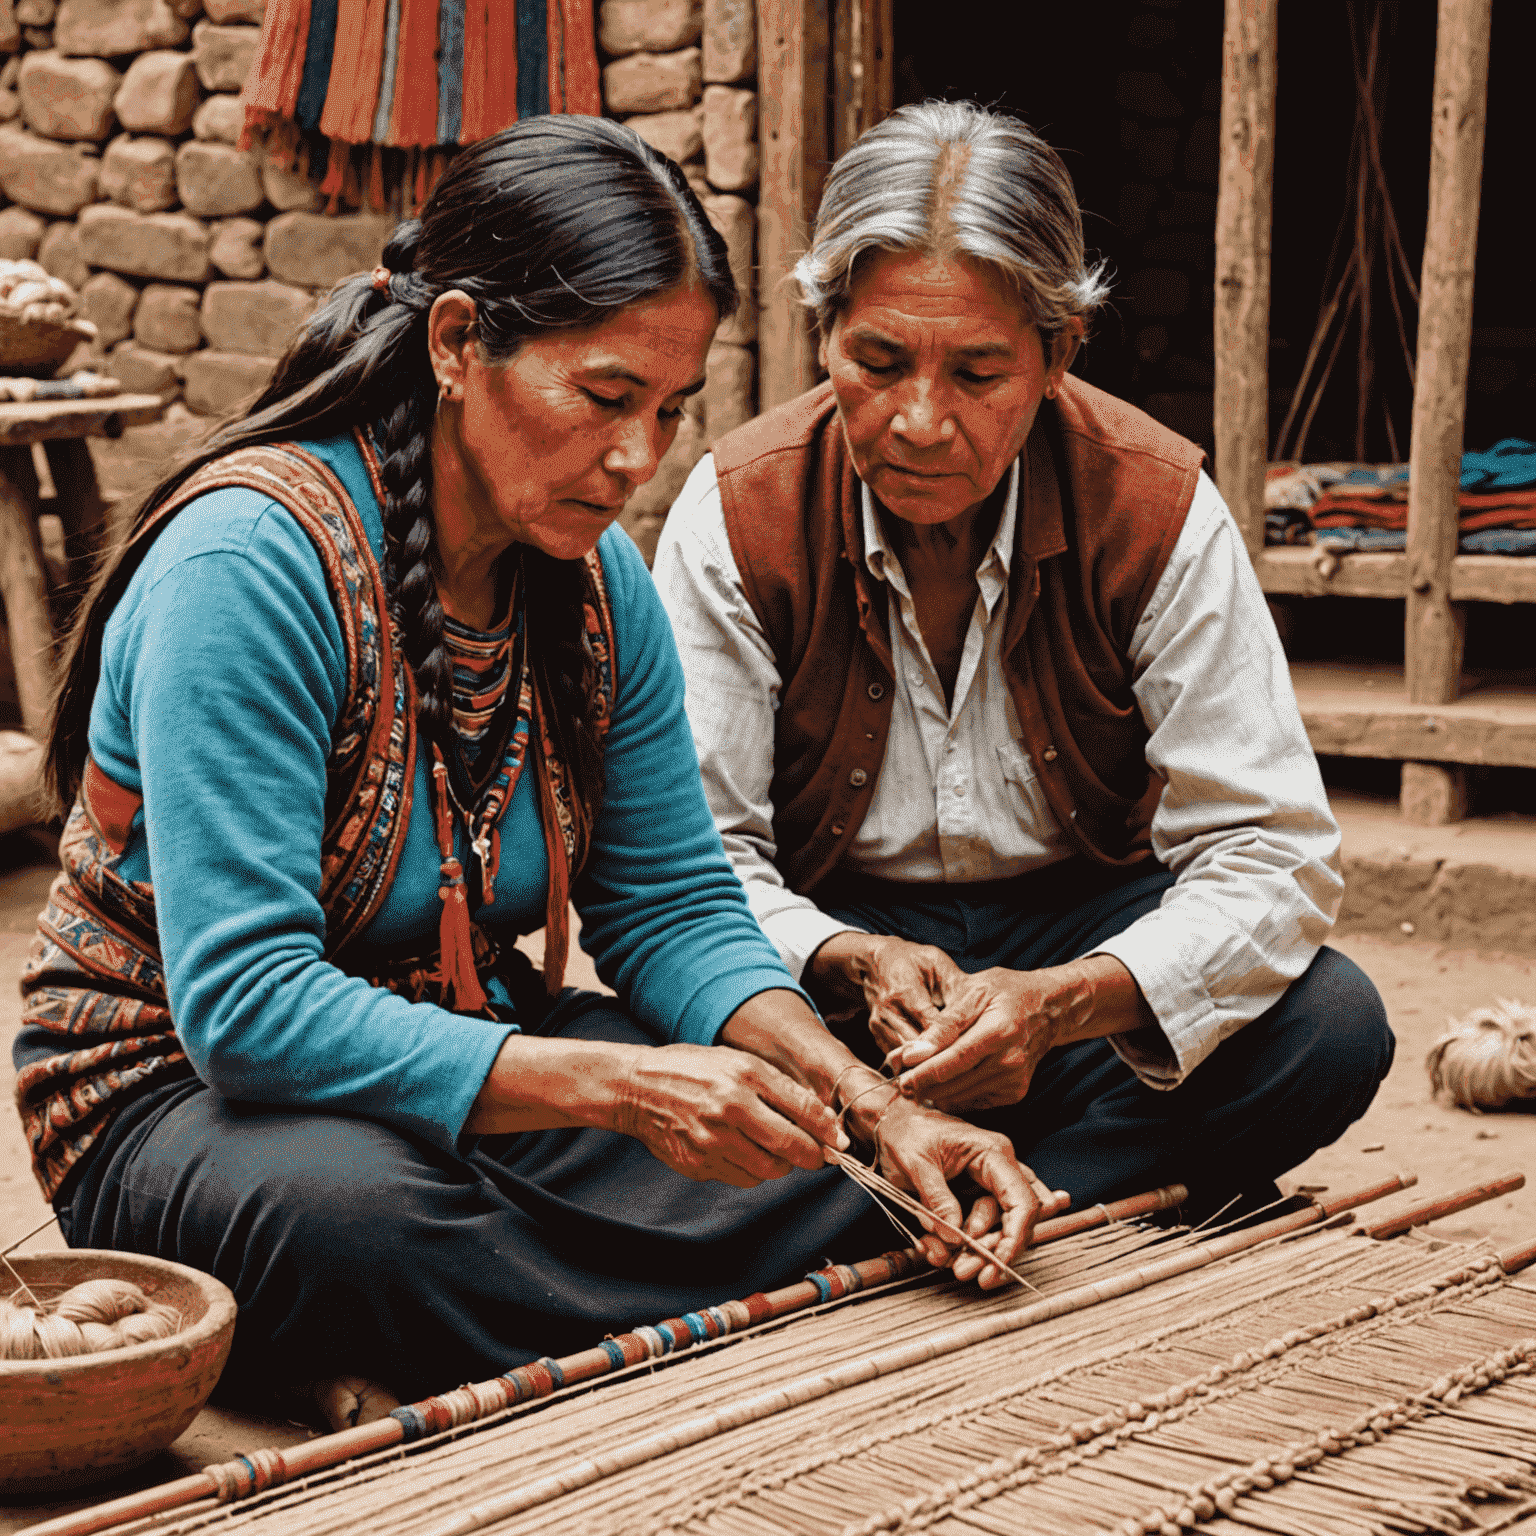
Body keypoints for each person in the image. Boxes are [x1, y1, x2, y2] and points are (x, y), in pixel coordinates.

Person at [12, 117, 1039, 1426]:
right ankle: (385, 1317)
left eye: (667, 412)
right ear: (455, 344)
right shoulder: (251, 568)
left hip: (475, 1051)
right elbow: (249, 1008)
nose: (636, 457)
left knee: (819, 1164)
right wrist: (624, 1088)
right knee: (369, 1220)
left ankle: (402, 1349)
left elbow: (670, 912)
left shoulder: (597, 582)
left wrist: (870, 1106)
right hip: (185, 1105)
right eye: (605, 396)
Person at [653, 101, 1395, 1220]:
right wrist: (847, 956)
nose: (918, 420)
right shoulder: (733, 514)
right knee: (680, 1051)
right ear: (825, 336)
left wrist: (1060, 1005)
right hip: (844, 995)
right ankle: (1036, 1188)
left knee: (1328, 1029)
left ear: (1058, 355)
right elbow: (700, 864)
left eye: (978, 374)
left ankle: (903, 1211)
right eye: (880, 359)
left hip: (1080, 969)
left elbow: (1270, 850)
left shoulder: (1158, 507)